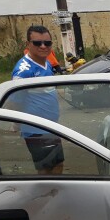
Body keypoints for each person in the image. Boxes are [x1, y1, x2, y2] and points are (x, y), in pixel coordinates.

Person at [11, 25, 64, 175]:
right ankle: (44, 198)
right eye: (37, 43)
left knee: (57, 165)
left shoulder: (46, 62)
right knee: (46, 170)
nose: (43, 46)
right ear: (28, 44)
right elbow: (15, 102)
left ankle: (51, 196)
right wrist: (17, 124)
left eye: (47, 43)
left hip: (50, 127)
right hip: (36, 130)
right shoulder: (24, 72)